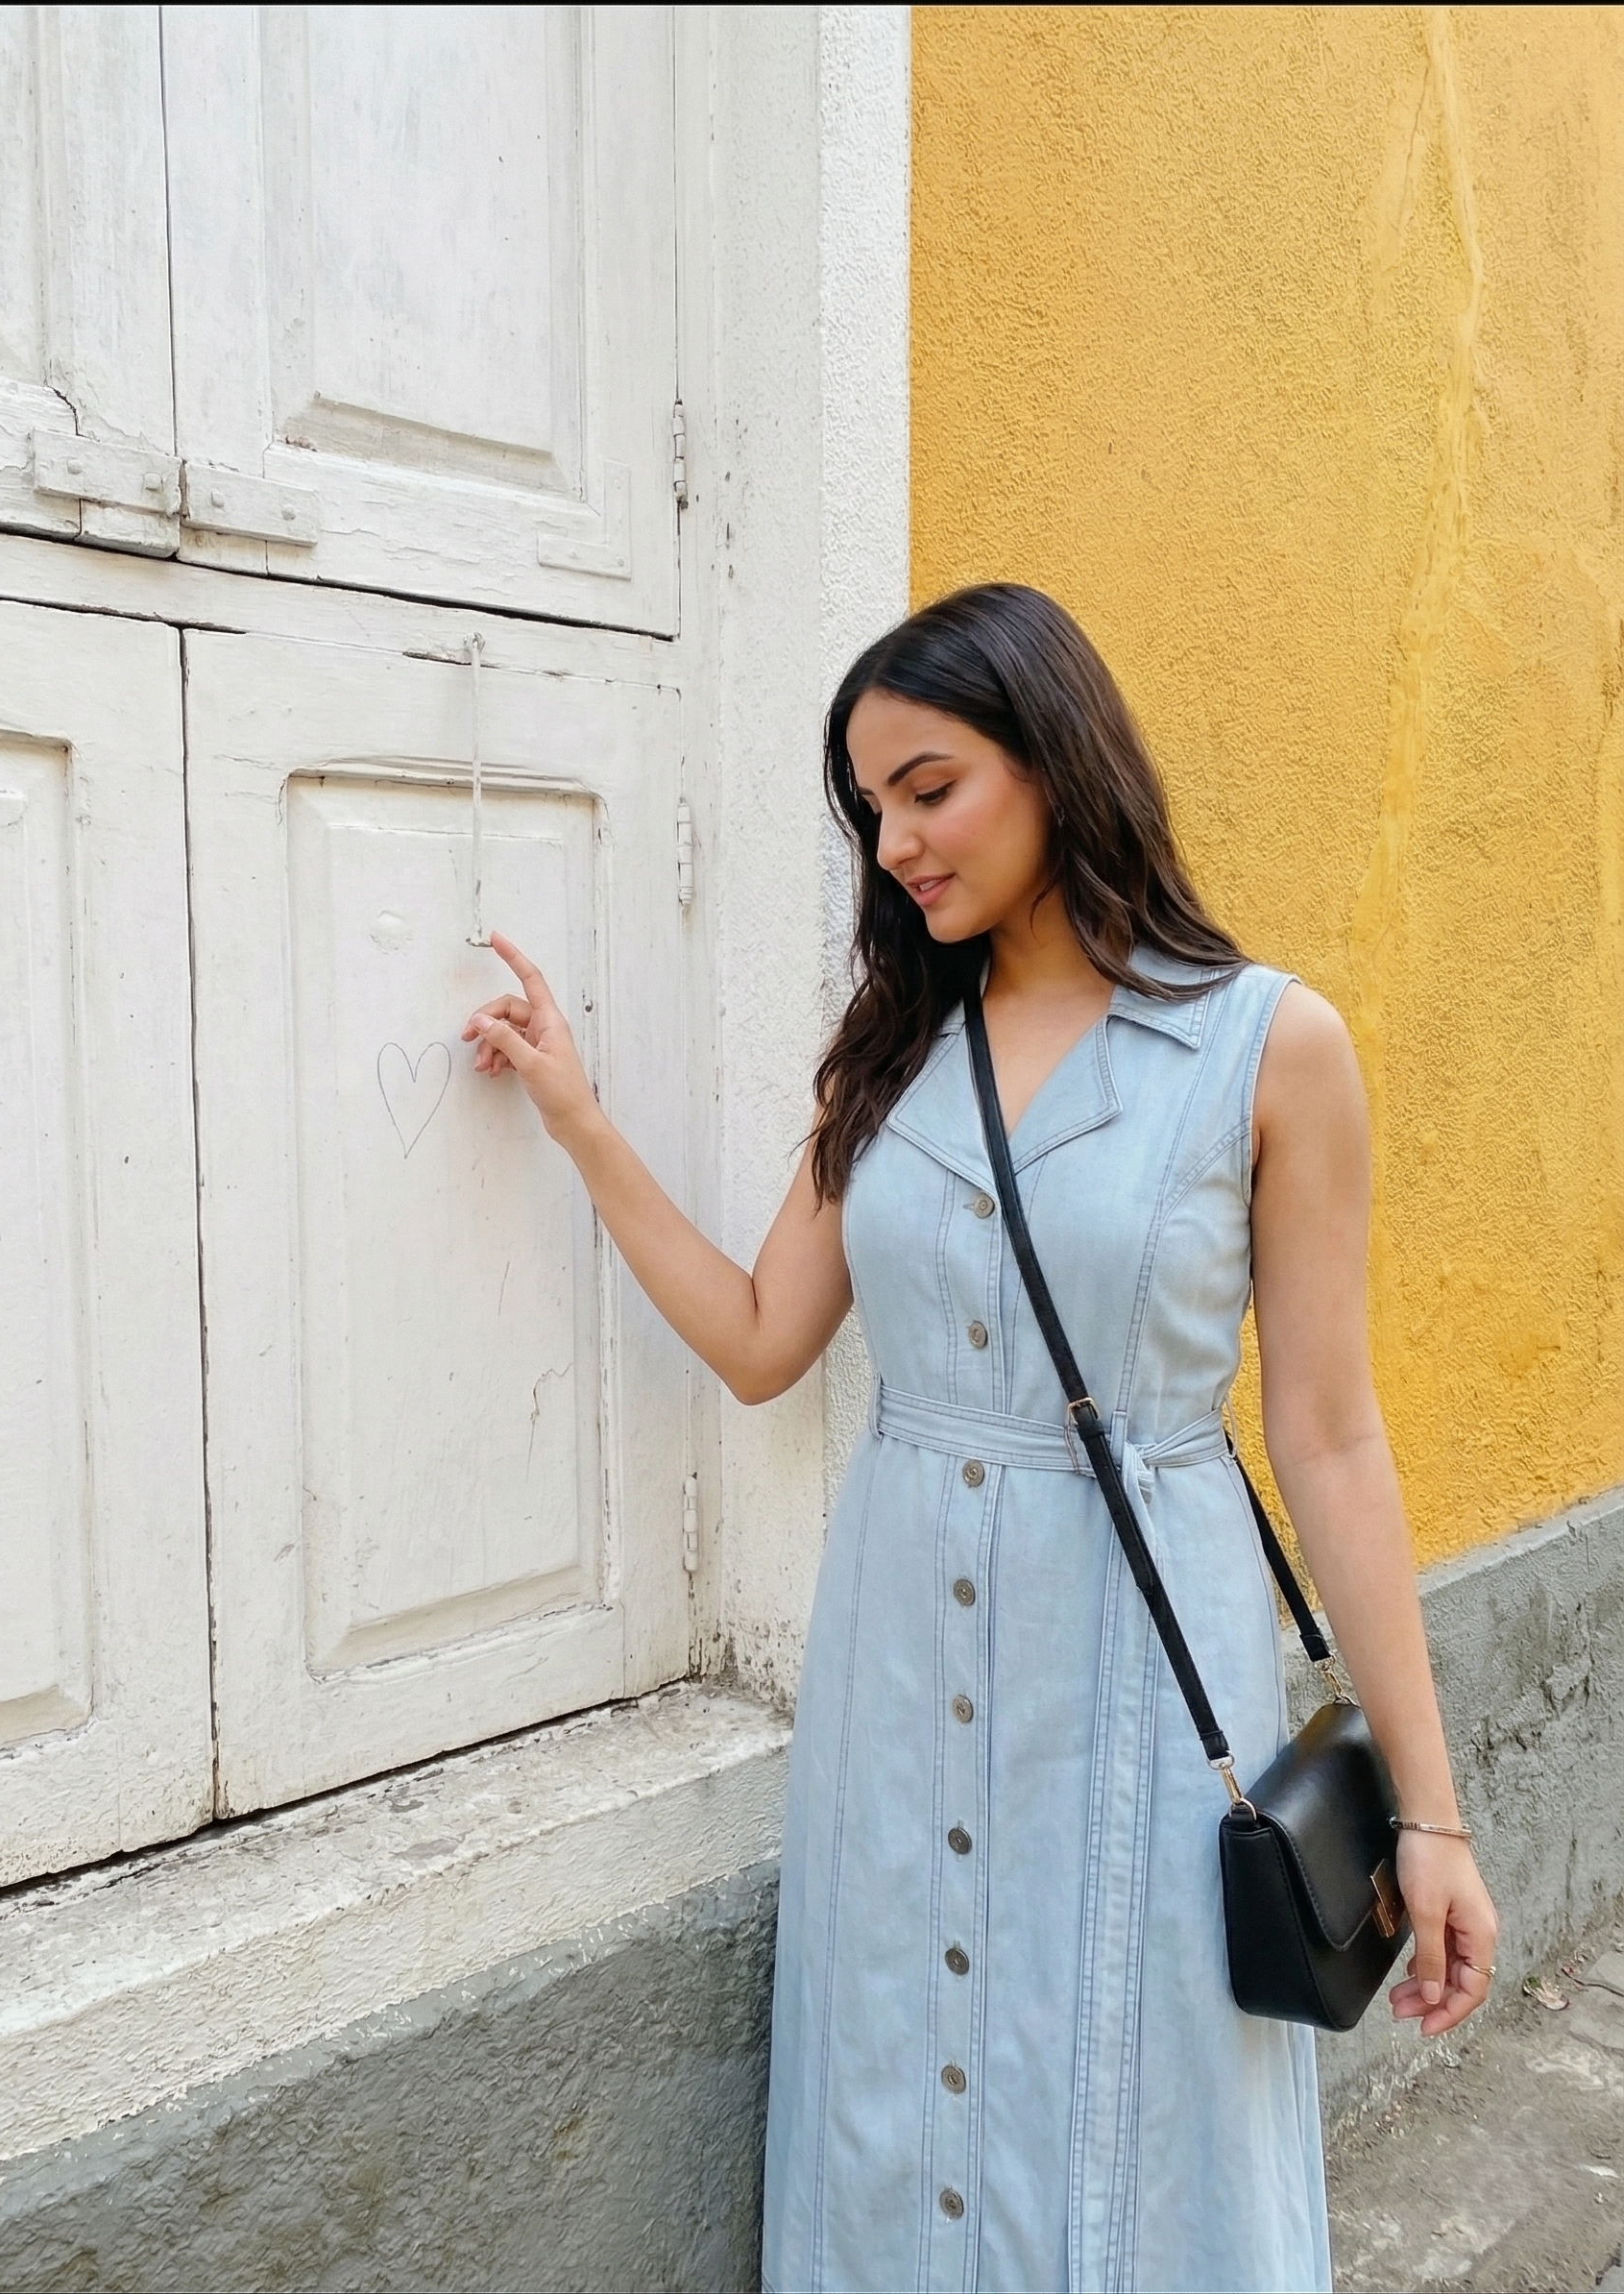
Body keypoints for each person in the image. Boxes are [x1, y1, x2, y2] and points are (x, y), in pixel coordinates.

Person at [462, 582, 1498, 2294]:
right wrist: (581, 1123)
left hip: (1145, 1659)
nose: (894, 845)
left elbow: (1328, 1436)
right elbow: (757, 1341)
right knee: (905, 2066)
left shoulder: (1266, 1046)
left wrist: (1432, 1819)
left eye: (927, 788)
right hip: (896, 1649)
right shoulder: (887, 1056)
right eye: (870, 810)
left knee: (1137, 2070)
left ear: (1053, 753)